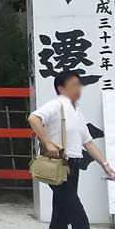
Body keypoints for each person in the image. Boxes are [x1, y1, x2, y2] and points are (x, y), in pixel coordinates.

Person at [28, 71, 115, 229]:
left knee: (61, 215)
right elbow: (33, 118)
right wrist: (48, 143)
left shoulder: (76, 111)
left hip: (73, 166)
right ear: (61, 88)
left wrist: (105, 165)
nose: (78, 88)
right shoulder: (56, 105)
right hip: (58, 165)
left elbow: (88, 143)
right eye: (73, 85)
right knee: (78, 217)